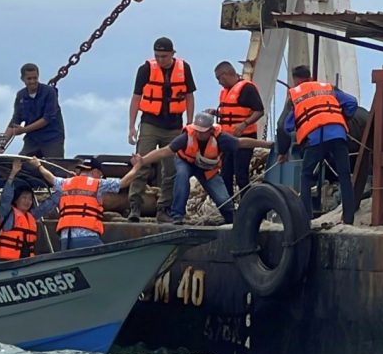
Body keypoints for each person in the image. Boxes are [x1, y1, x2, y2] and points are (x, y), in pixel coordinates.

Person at [135, 111, 273, 225]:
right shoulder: (185, 138)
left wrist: (265, 144)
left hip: (207, 169)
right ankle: (177, 215)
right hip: (186, 163)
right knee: (181, 176)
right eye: (197, 131)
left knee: (222, 199)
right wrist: (143, 160)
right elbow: (164, 151)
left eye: (203, 132)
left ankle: (231, 217)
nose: (199, 134)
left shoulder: (221, 138)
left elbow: (241, 143)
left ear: (211, 130)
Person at [127, 37, 196, 223]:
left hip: (174, 125)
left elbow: (189, 97)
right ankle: (134, 206)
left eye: (164, 56)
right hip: (150, 123)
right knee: (141, 164)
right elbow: (136, 98)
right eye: (157, 56)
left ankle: (164, 208)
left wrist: (189, 125)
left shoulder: (184, 69)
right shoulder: (146, 69)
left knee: (171, 170)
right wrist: (131, 127)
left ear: (173, 53)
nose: (160, 60)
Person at [278, 65, 358, 225]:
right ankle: (349, 219)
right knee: (344, 176)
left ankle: (305, 219)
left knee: (306, 176)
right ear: (310, 77)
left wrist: (283, 151)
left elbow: (284, 126)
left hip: (315, 139)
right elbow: (352, 102)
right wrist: (341, 117)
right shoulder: (329, 88)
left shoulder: (295, 95)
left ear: (296, 80)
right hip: (338, 135)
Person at [27, 156, 139, 250]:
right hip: (87, 237)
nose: (100, 177)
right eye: (100, 174)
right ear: (95, 172)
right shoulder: (98, 184)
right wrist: (137, 166)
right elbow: (124, 182)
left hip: (65, 239)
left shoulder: (66, 182)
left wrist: (39, 166)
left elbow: (50, 178)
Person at [214, 61, 264, 199]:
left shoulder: (247, 88)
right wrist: (215, 113)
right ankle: (228, 207)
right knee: (225, 174)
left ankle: (248, 206)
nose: (219, 82)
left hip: (244, 138)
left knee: (241, 174)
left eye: (219, 78)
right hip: (227, 138)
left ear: (226, 74)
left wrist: (244, 124)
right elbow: (229, 113)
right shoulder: (225, 92)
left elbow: (259, 111)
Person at [0, 159, 57, 261]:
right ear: (17, 199)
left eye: (30, 199)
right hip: (5, 262)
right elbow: (6, 197)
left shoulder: (31, 215)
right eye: (24, 198)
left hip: (25, 261)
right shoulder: (7, 212)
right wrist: (13, 173)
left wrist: (64, 188)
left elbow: (47, 206)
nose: (27, 201)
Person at [6, 63, 67, 159]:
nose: (32, 81)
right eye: (29, 79)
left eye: (35, 78)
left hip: (52, 138)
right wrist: (1, 144)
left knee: (54, 166)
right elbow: (14, 121)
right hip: (32, 139)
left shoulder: (49, 92)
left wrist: (24, 130)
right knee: (21, 163)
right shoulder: (21, 96)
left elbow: (47, 119)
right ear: (23, 79)